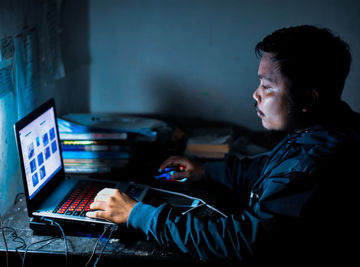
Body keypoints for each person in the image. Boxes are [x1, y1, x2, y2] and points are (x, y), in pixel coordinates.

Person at [86, 25, 360, 266]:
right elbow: (266, 169)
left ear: (308, 100)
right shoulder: (324, 128)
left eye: (267, 86)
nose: (255, 95)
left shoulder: (311, 164)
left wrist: (138, 214)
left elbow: (237, 243)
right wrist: (205, 170)